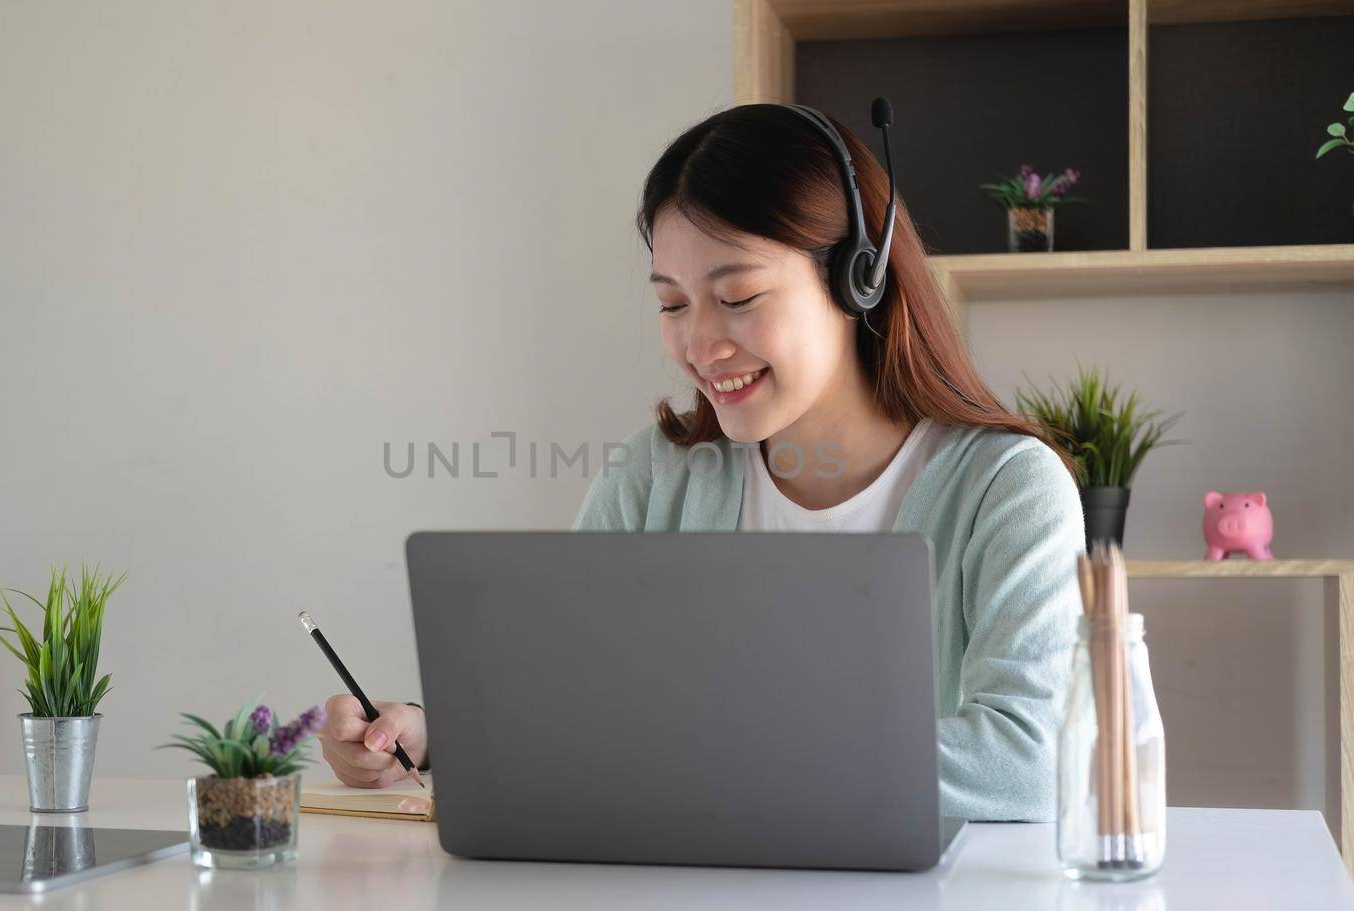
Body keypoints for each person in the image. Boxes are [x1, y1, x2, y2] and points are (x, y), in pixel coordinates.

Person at [319, 103, 1085, 822]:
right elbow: (564, 702)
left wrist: (717, 754)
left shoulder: (1006, 489)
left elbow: (1029, 760)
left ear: (861, 280)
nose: (700, 344)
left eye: (740, 295)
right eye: (672, 304)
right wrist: (429, 735)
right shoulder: (658, 475)